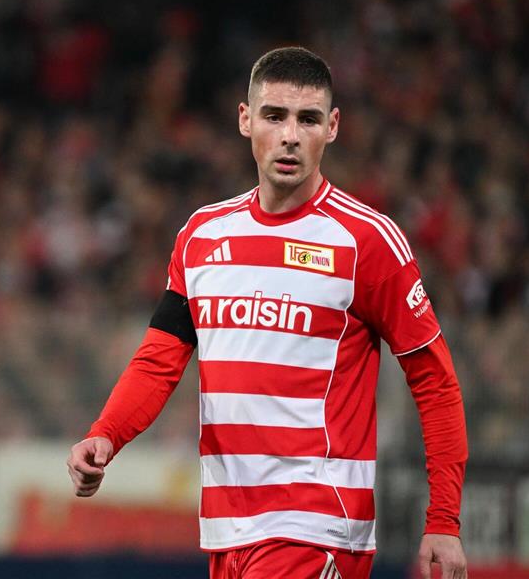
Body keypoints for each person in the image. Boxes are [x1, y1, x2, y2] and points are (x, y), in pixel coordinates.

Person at [68, 47, 468, 579]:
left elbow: (435, 382)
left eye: (307, 120)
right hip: (229, 530)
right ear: (245, 119)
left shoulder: (366, 242)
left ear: (332, 127)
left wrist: (444, 519)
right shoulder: (202, 236)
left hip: (315, 525)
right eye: (274, 116)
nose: (290, 135)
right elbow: (159, 360)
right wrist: (107, 433)